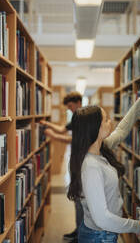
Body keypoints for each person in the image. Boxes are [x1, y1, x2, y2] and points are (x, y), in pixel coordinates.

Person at [67, 81, 140, 243]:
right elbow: (102, 218)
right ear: (95, 129)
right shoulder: (91, 166)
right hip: (99, 236)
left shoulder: (101, 147)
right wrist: (135, 226)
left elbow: (122, 130)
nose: (111, 122)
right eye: (106, 120)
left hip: (103, 233)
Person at [40, 91, 83, 243]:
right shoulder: (77, 117)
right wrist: (47, 124)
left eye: (71, 106)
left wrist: (53, 136)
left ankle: (80, 235)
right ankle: (78, 231)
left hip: (82, 164)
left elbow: (73, 140)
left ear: (78, 102)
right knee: (77, 199)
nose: (70, 109)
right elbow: (61, 129)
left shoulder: (83, 118)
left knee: (80, 200)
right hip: (76, 163)